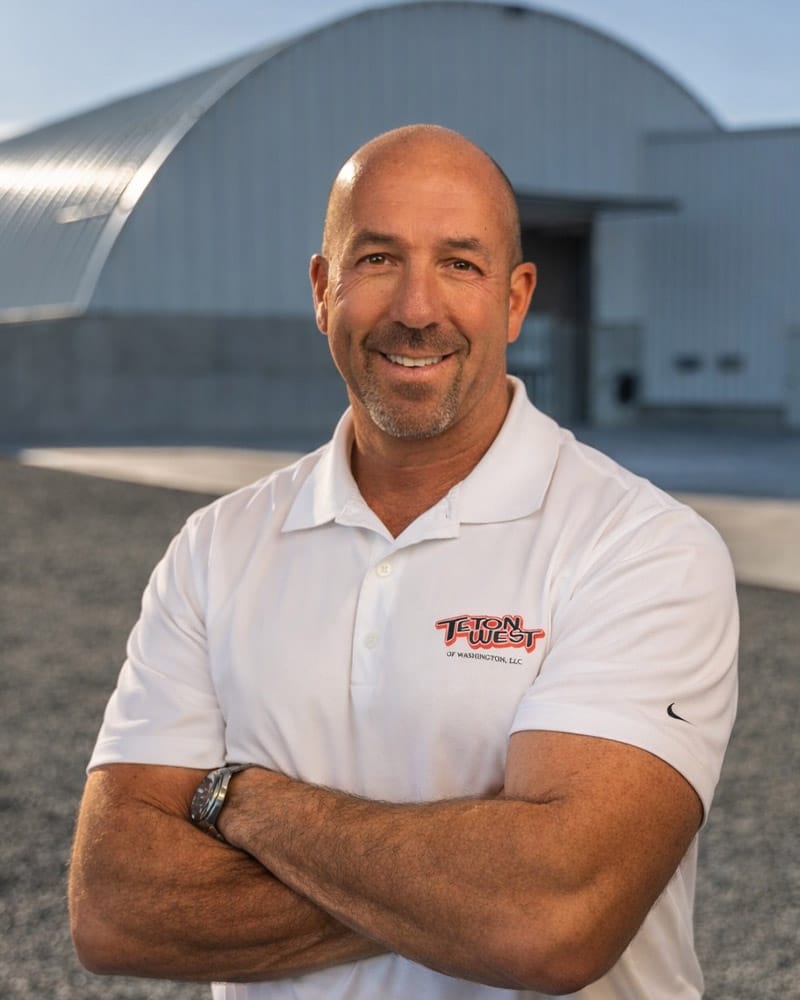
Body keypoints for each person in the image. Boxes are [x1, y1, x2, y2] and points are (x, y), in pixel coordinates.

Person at [69, 124, 738, 999]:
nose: (417, 308)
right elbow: (116, 908)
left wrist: (239, 799)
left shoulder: (644, 547)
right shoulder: (217, 547)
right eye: (379, 258)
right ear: (323, 288)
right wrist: (467, 889)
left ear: (514, 297)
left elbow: (552, 921)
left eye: (460, 263)